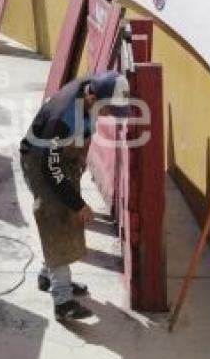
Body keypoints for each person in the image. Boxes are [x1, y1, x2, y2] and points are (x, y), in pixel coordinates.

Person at [19, 71, 130, 321]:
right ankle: (63, 301)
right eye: (107, 110)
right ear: (91, 97)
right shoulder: (63, 117)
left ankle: (49, 276)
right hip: (40, 162)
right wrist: (78, 204)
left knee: (68, 218)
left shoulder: (94, 88)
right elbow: (50, 168)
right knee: (56, 217)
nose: (108, 115)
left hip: (62, 157)